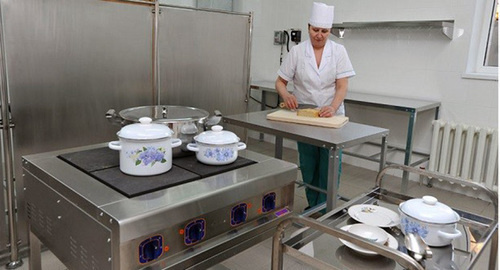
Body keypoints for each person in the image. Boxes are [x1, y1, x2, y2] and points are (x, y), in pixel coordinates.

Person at [275, 2, 355, 212]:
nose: (319, 35)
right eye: (315, 30)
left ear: (330, 31)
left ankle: (326, 209)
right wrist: (287, 94)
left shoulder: (339, 51)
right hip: (305, 117)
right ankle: (313, 207)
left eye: (324, 31)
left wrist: (333, 106)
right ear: (309, 27)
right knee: (309, 164)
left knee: (329, 165)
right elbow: (280, 82)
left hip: (331, 118)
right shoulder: (298, 51)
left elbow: (342, 86)